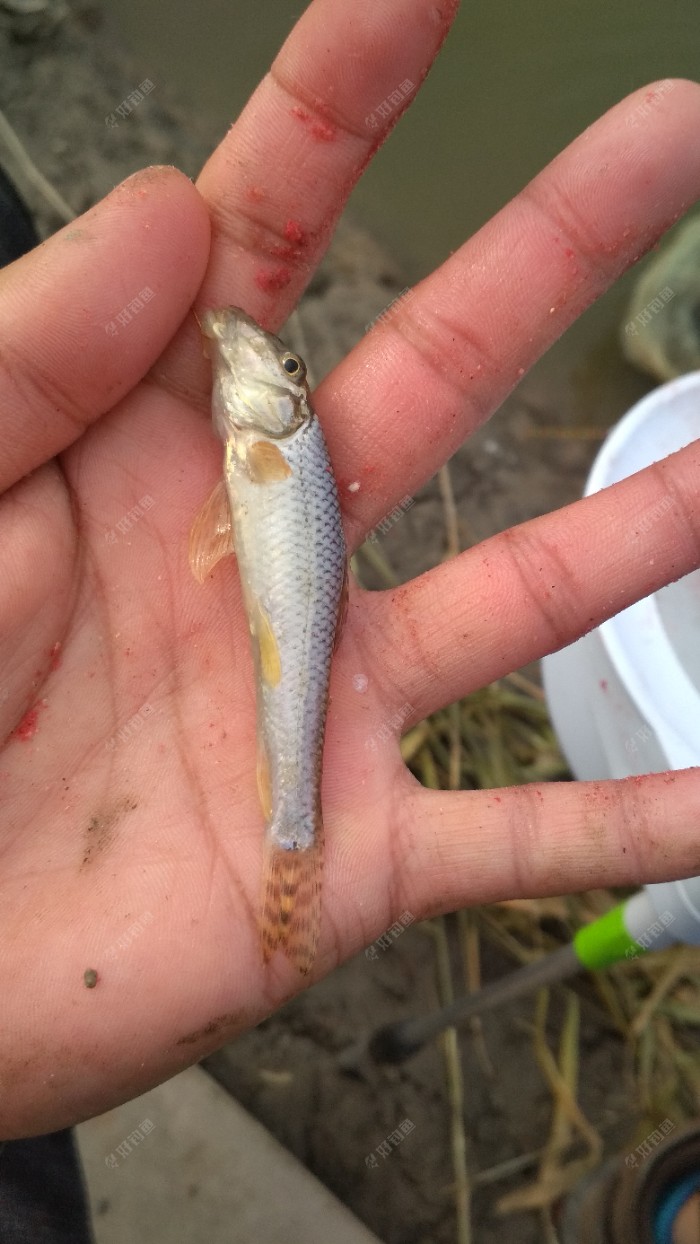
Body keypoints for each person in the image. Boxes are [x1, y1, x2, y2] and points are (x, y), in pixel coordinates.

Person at [0, 0, 699, 1163]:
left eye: (275, 366)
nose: (254, 364)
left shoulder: (266, 441)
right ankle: (291, 826)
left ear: (279, 401)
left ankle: (291, 824)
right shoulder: (259, 440)